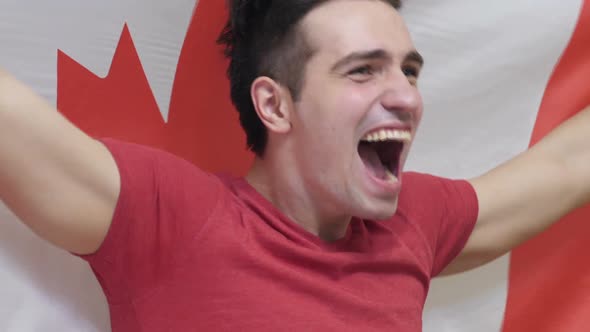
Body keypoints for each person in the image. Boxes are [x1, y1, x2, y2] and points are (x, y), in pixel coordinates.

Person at [0, 0, 588, 331]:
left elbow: (567, 162)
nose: (407, 96)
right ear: (275, 105)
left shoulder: (414, 224)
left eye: (409, 70)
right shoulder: (176, 219)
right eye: (364, 70)